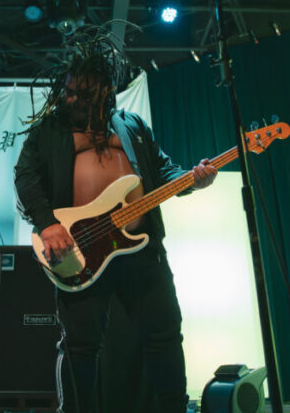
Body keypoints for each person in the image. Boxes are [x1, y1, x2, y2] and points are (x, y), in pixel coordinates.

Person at [14, 27, 217, 413]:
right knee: (80, 345)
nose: (72, 99)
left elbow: (163, 170)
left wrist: (192, 179)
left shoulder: (132, 125)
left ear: (106, 90)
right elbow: (26, 177)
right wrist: (47, 224)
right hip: (81, 249)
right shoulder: (52, 130)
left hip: (140, 252)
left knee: (164, 335)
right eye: (69, 90)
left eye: (83, 93)